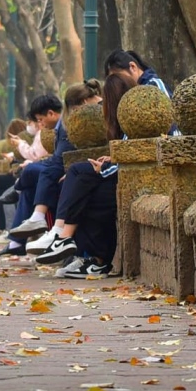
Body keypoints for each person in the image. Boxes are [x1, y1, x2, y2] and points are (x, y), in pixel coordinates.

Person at [32, 73, 130, 271]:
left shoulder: (130, 116)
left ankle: (74, 244)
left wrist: (106, 167)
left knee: (81, 183)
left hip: (124, 180)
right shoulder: (118, 119)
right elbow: (126, 151)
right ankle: (73, 246)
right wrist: (111, 160)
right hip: (115, 172)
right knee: (73, 177)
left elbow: (138, 154)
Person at [6, 83, 101, 250]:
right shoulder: (63, 125)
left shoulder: (85, 118)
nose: (40, 124)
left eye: (41, 119)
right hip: (66, 166)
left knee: (38, 173)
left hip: (81, 167)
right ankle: (35, 228)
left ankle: (51, 229)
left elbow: (54, 156)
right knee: (33, 179)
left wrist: (21, 147)